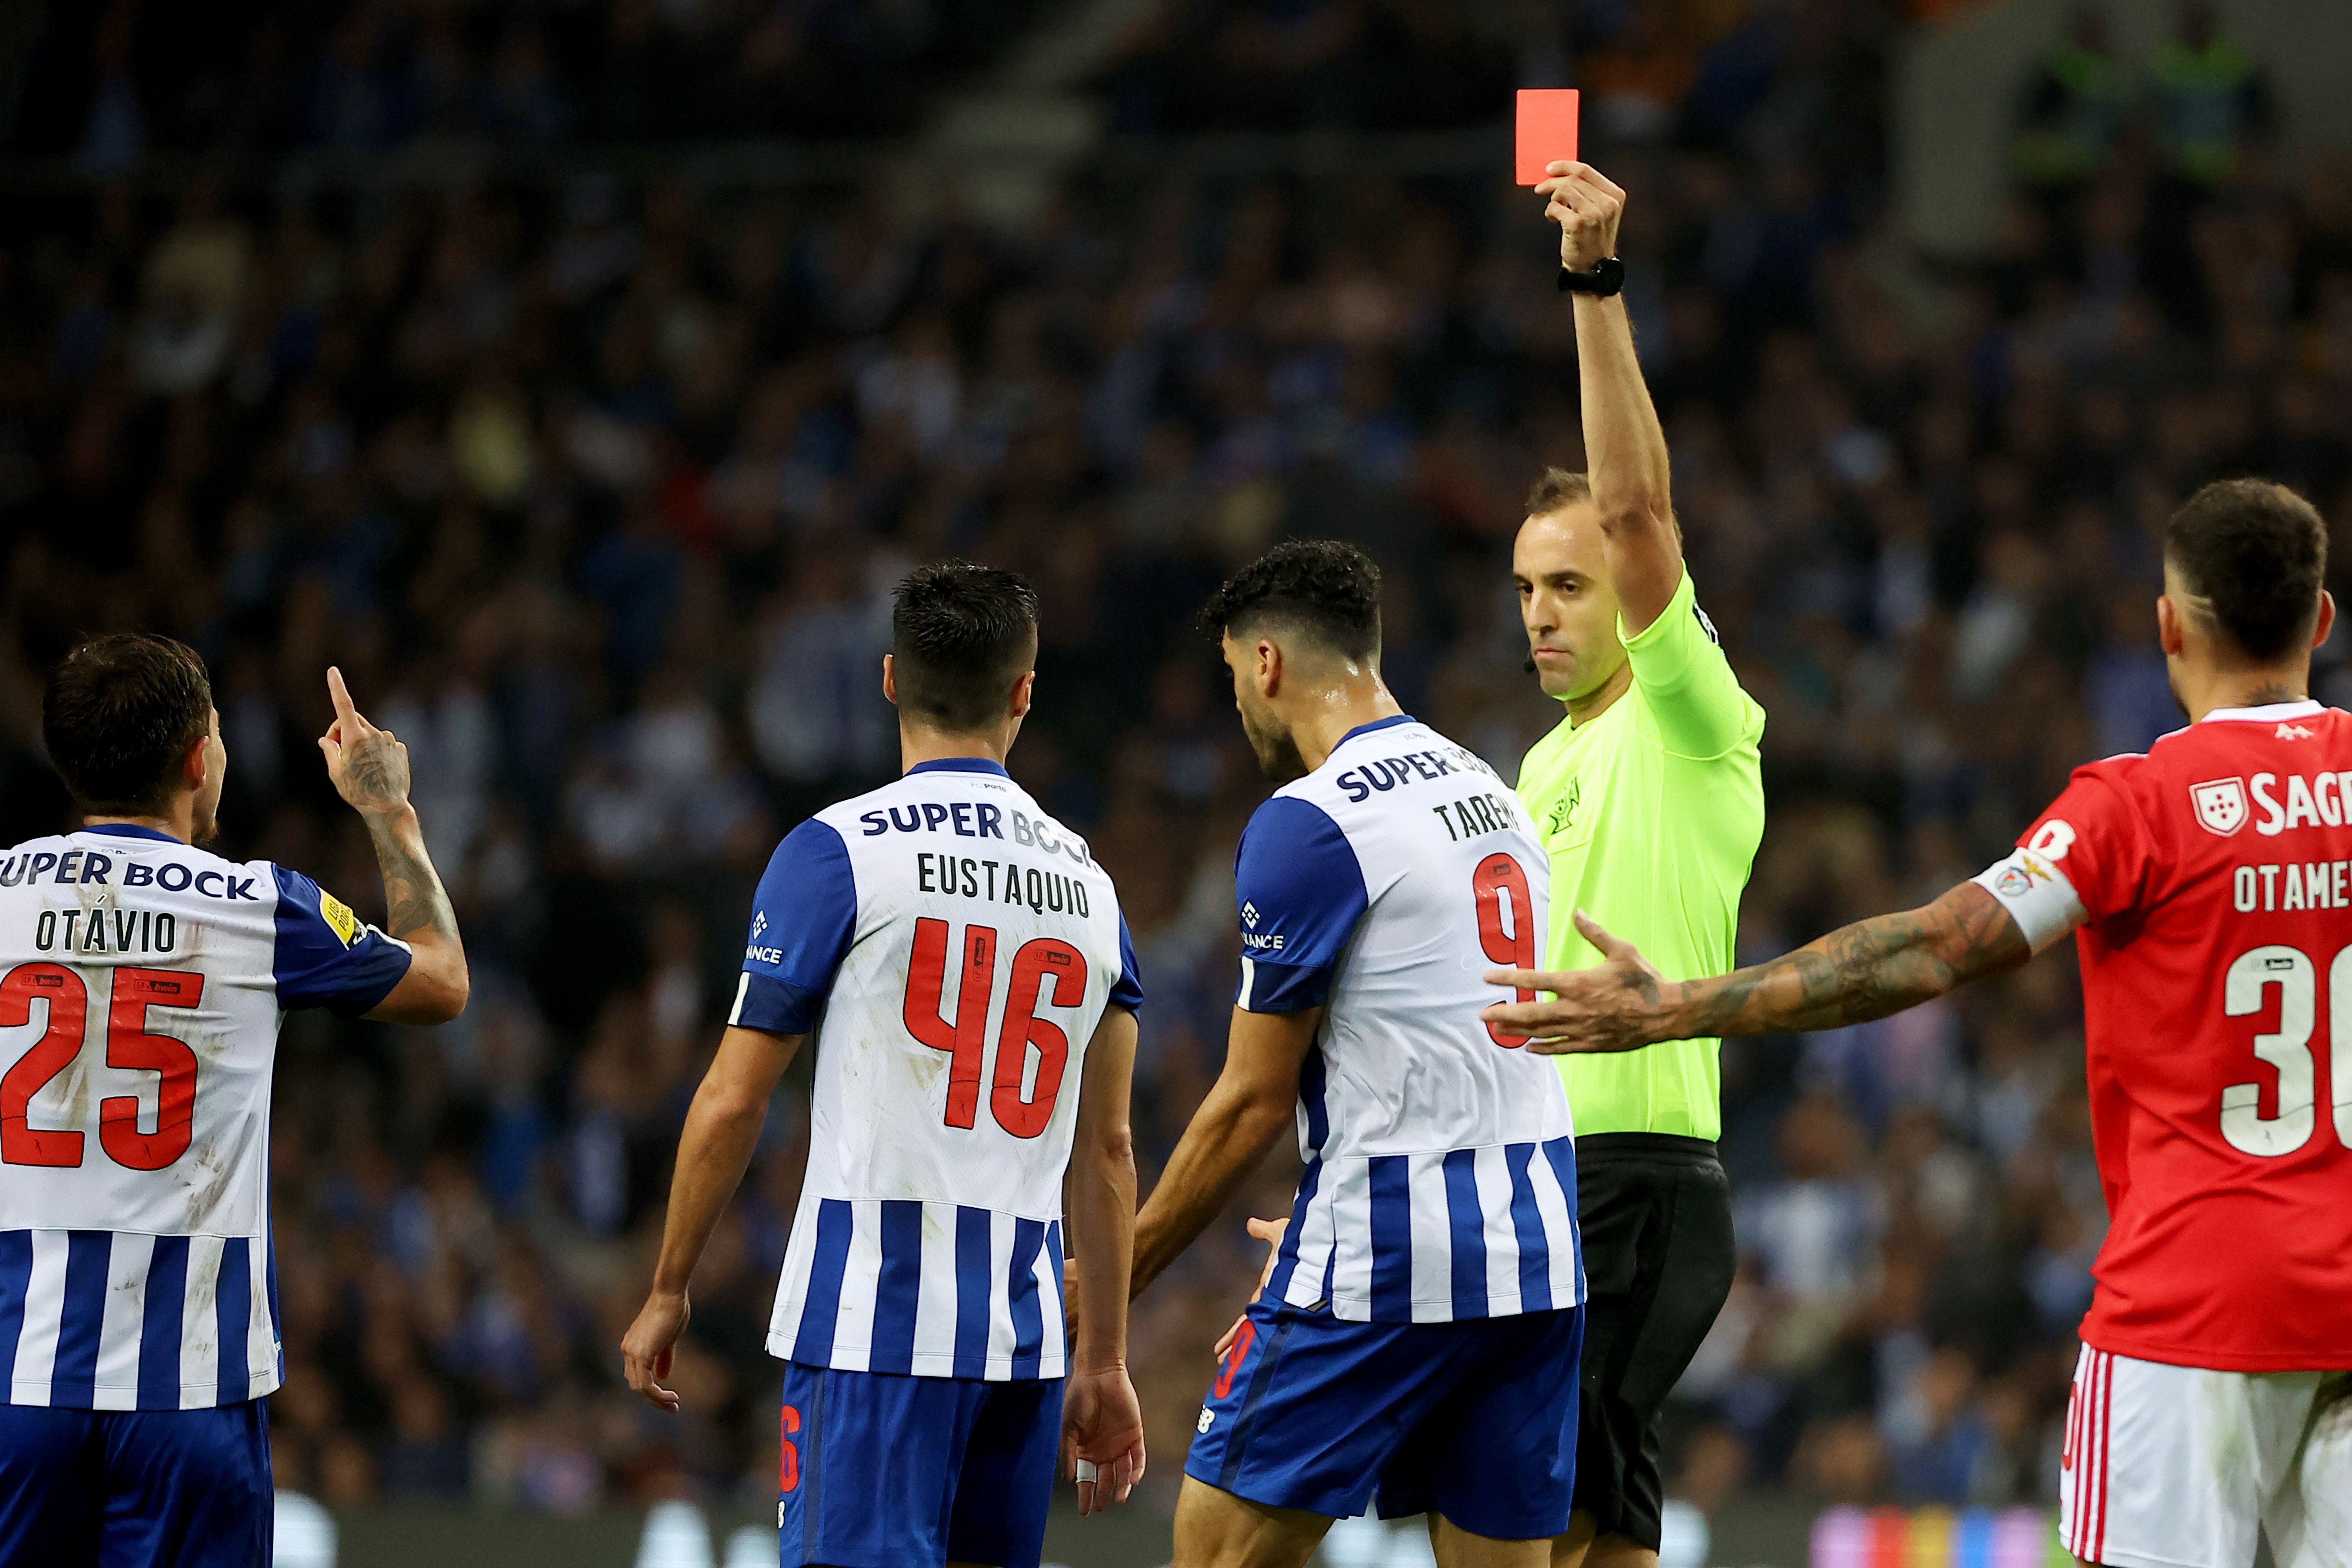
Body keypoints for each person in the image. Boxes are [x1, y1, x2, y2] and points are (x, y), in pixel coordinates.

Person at [1485, 477, 2352, 1568]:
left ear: (2169, 625)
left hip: (2190, 1312)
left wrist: (1682, 1007)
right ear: (2321, 622)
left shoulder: (2138, 803)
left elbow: (1938, 946)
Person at [620, 562, 1148, 1568]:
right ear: (1025, 692)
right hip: (1023, 1345)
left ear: (891, 680)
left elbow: (734, 1098)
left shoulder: (838, 851)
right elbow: (1110, 1147)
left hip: (874, 1324)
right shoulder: (1092, 886)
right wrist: (1108, 1356)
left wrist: (669, 1283)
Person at [1125, 539, 1584, 1568]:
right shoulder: (1492, 794)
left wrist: (1120, 1278)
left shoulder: (1314, 823)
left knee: (1214, 1554)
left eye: (1236, 676)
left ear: (1268, 667)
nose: (1241, 705)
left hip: (1391, 1258)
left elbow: (1251, 1103)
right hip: (1537, 1256)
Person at [0, 635, 469, 1566]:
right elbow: (442, 980)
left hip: (16, 1380)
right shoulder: (256, 906)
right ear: (196, 759)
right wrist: (390, 811)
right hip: (190, 1394)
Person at [1513, 160, 1767, 1568]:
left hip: (1643, 1180)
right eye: (1526, 593)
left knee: (1527, 1517)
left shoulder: (1692, 719)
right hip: (1544, 1176)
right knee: (1602, 1533)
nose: (1541, 618)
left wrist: (1594, 287)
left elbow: (1638, 515)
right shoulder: (1542, 764)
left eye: (1569, 587)